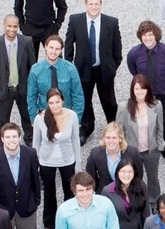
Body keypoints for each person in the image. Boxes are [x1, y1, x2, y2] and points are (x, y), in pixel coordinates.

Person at [64, 0, 122, 143]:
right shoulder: (75, 20)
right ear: (86, 5)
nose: (94, 7)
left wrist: (112, 67)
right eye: (91, 4)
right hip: (83, 70)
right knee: (84, 100)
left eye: (97, 4)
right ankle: (86, 128)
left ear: (101, 5)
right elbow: (69, 44)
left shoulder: (111, 22)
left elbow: (117, 49)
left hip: (104, 70)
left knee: (109, 101)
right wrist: (70, 66)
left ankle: (113, 127)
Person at [126, 20, 165, 168]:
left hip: (161, 94)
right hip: (142, 95)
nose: (148, 38)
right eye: (144, 35)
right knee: (141, 122)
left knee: (164, 123)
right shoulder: (134, 54)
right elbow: (133, 71)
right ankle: (143, 151)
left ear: (156, 34)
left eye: (150, 34)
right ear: (140, 37)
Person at [35, 88, 81, 229]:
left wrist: (78, 164)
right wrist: (35, 165)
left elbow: (75, 140)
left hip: (67, 160)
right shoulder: (40, 118)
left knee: (69, 191)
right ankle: (49, 223)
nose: (54, 106)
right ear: (47, 103)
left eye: (57, 102)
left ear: (63, 100)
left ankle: (69, 220)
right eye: (51, 103)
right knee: (49, 192)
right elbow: (36, 144)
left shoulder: (72, 116)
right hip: (46, 161)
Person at [115, 75, 164, 209]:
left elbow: (160, 127)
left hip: (152, 151)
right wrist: (123, 149)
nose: (140, 92)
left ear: (148, 89)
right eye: (137, 89)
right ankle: (137, 203)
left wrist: (160, 146)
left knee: (153, 179)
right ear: (132, 90)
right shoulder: (124, 107)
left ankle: (154, 203)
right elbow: (119, 130)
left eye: (143, 88)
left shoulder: (156, 105)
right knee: (134, 179)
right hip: (132, 152)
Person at [0, 15, 36, 145]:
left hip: (22, 88)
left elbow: (33, 67)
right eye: (9, 26)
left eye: (15, 26)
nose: (12, 29)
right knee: (3, 119)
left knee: (26, 116)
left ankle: (30, 139)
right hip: (5, 90)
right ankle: (0, 143)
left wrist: (33, 89)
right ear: (4, 25)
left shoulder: (27, 41)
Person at [26, 35, 84, 123]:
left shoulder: (70, 68)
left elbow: (78, 95)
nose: (53, 51)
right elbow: (31, 97)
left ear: (61, 50)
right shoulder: (36, 69)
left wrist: (77, 119)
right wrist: (34, 120)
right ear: (45, 47)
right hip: (44, 115)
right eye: (51, 47)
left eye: (57, 49)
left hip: (66, 115)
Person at [85, 122, 144, 194]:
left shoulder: (132, 153)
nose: (111, 141)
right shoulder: (95, 154)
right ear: (103, 138)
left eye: (114, 138)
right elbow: (90, 177)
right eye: (108, 137)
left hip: (127, 193)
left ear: (120, 138)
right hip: (105, 194)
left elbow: (139, 174)